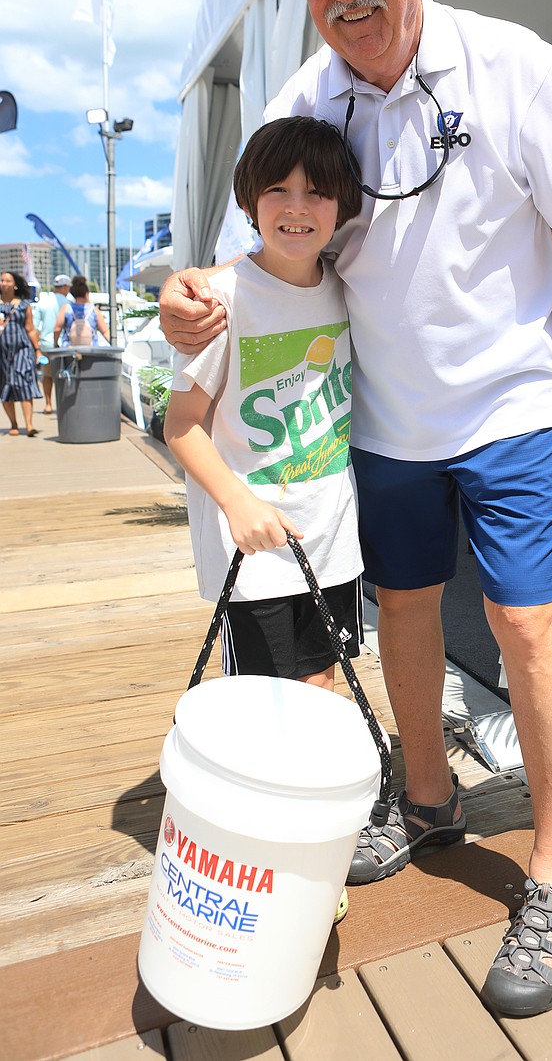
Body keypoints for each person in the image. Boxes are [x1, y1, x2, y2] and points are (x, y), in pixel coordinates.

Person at [159, 0, 552, 1017]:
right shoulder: (300, 105)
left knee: (528, 623)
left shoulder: (516, 65)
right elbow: (234, 263)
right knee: (405, 616)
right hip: (382, 428)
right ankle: (425, 803)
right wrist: (180, 297)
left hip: (517, 412)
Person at [164, 115, 365, 925]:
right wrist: (239, 500)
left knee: (323, 688)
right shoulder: (222, 297)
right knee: (263, 703)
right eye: (277, 189)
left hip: (332, 541)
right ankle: (266, 852)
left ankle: (314, 850)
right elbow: (182, 425)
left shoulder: (348, 286)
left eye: (317, 192)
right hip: (252, 555)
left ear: (343, 206)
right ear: (249, 199)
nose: (297, 206)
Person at [0, 269, 42, 435]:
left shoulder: (24, 305)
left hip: (22, 349)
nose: (4, 283)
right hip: (2, 352)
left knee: (23, 380)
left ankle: (29, 425)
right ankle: (14, 424)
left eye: (8, 281)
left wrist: (37, 350)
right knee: (4, 386)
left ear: (15, 285)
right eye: (2, 280)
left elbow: (30, 329)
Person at [33, 273, 72, 412]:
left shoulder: (43, 301)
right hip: (66, 346)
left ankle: (48, 404)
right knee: (66, 376)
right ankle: (64, 404)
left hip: (46, 345)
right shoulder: (69, 302)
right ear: (65, 287)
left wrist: (36, 348)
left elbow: (35, 327)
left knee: (47, 375)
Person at [54, 275, 110, 347]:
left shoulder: (66, 308)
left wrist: (55, 344)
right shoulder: (93, 310)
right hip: (91, 350)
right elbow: (105, 331)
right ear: (86, 294)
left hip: (70, 350)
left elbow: (57, 329)